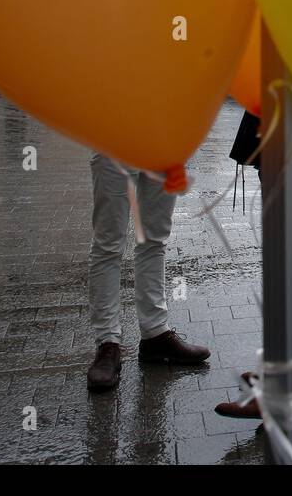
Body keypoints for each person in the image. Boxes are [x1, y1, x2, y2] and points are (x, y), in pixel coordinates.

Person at [86, 154, 209, 392]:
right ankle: (107, 342)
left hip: (166, 140)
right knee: (108, 244)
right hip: (115, 135)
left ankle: (155, 333)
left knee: (154, 239)